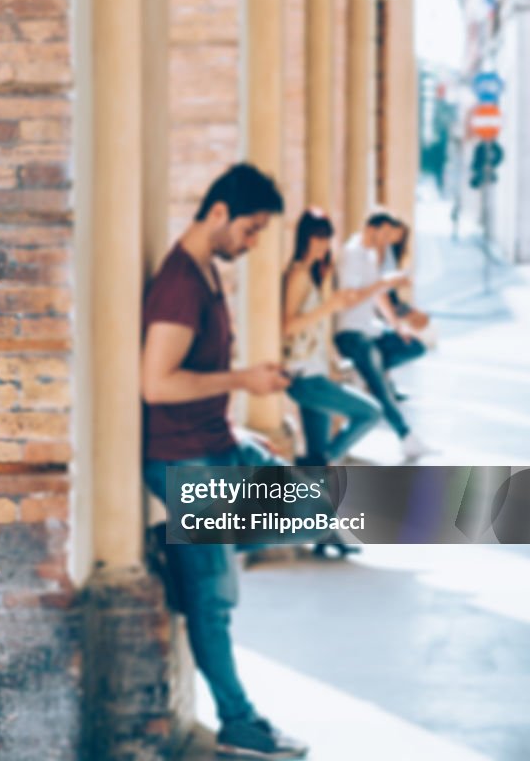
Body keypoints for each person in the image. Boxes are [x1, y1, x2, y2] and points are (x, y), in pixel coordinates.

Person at [141, 164, 308, 760]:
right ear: (219, 213)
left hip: (213, 442)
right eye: (252, 229)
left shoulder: (206, 272)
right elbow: (155, 384)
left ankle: (186, 548)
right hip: (184, 456)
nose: (254, 241)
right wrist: (246, 378)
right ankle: (239, 722)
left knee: (306, 497)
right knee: (213, 600)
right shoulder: (181, 285)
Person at [283, 209, 382, 467]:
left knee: (315, 452)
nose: (322, 245)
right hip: (303, 377)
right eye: (316, 237)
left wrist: (331, 362)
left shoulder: (315, 275)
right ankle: (324, 463)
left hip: (315, 373)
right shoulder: (298, 275)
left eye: (326, 238)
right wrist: (329, 307)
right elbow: (288, 326)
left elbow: (316, 329)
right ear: (303, 238)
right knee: (371, 412)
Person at [333, 210, 435, 460]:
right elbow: (350, 298)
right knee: (380, 386)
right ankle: (406, 436)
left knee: (414, 346)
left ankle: (366, 372)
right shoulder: (351, 254)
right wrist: (385, 282)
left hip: (370, 330)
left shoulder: (369, 255)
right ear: (371, 228)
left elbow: (378, 297)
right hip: (352, 333)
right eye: (386, 234)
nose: (388, 241)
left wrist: (397, 326)